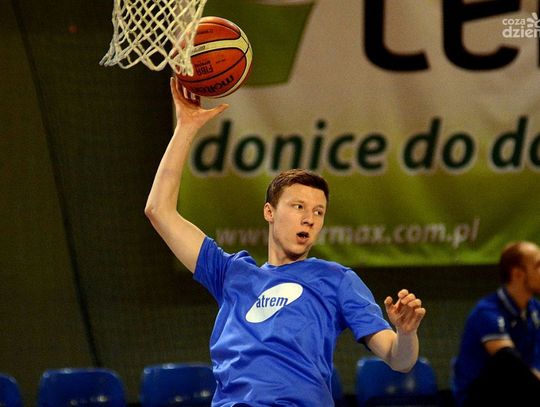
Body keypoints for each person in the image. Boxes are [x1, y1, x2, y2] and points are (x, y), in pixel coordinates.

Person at [145, 77, 426, 406]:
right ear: (269, 212)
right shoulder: (230, 273)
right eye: (298, 207)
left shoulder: (336, 280)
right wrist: (186, 127)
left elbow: (399, 359)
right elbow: (158, 210)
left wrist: (406, 333)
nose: (310, 218)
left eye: (319, 211)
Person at [452, 241, 540, 406]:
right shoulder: (487, 311)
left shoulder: (535, 309)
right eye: (538, 265)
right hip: (479, 398)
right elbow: (509, 363)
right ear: (518, 274)